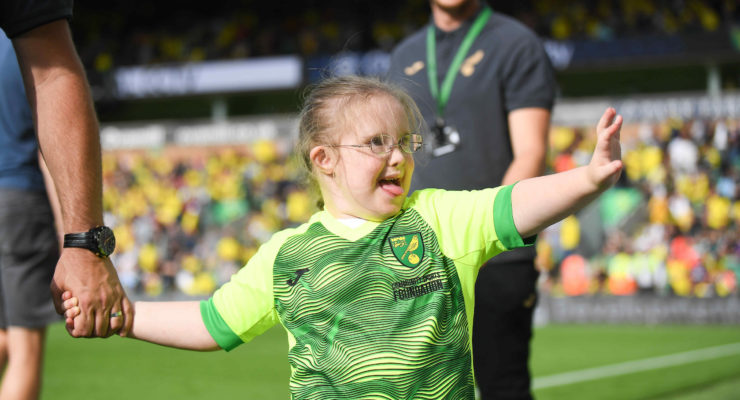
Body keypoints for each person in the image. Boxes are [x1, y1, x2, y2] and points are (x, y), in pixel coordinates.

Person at [61, 76, 621, 399]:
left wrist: (589, 177)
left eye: (405, 142)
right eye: (377, 143)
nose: (398, 156)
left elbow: (519, 203)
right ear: (323, 160)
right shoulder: (287, 254)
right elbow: (213, 323)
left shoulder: (440, 219)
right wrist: (122, 317)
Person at [386, 1, 556, 398]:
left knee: (501, 386)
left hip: (494, 253)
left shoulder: (515, 43)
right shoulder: (404, 55)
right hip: (416, 254)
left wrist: (485, 235)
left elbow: (530, 153)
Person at [0, 1, 132, 337]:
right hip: (17, 200)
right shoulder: (13, 57)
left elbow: (52, 76)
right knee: (22, 347)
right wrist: (82, 244)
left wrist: (82, 243)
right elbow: (52, 75)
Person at [0, 29, 62, 400]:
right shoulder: (33, 41)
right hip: (20, 198)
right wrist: (70, 231)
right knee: (27, 348)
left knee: (4, 334)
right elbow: (52, 143)